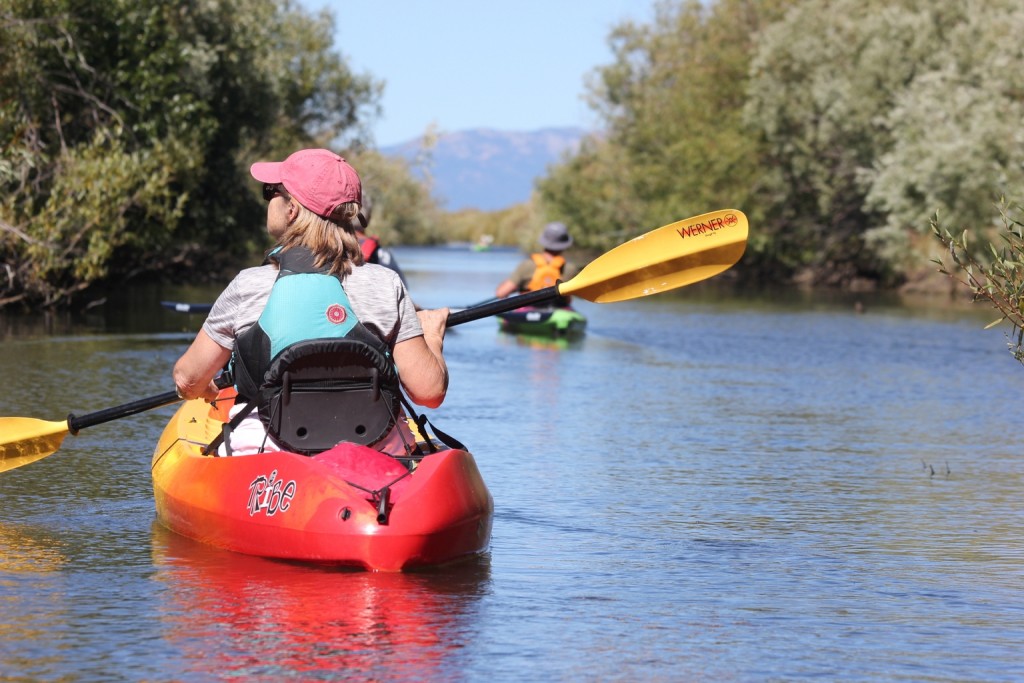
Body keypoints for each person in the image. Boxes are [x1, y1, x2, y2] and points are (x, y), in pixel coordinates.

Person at [172, 148, 449, 455]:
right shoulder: (386, 284)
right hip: (376, 451)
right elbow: (429, 393)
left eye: (270, 192)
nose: (268, 201)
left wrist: (206, 387)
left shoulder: (248, 285)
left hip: (268, 454)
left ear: (291, 209)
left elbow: (187, 378)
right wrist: (432, 337)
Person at [495, 221, 581, 307]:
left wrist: (518, 286)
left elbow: (501, 293)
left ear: (543, 240)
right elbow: (569, 300)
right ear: (564, 244)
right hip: (557, 308)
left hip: (529, 309)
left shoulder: (526, 265)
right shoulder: (570, 269)